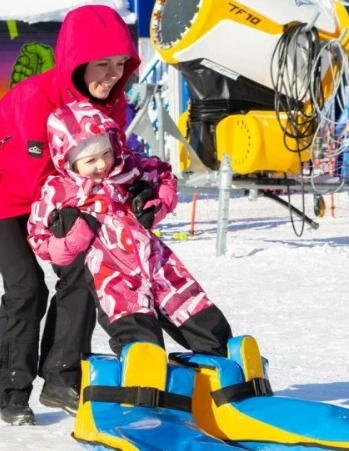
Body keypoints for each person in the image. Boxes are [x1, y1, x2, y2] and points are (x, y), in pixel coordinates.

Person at [0, 5, 142, 426]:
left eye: (120, 64)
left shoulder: (111, 102)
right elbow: (35, 169)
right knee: (26, 285)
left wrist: (138, 189)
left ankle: (61, 375)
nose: (112, 74)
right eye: (102, 64)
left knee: (84, 272)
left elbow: (111, 157)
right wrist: (69, 210)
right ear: (77, 61)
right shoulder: (35, 97)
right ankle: (13, 387)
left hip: (52, 191)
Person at [28, 101, 233, 359]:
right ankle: (144, 382)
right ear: (67, 160)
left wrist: (156, 206)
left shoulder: (129, 169)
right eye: (90, 160)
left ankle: (226, 367)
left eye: (105, 153)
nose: (102, 164)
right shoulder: (59, 191)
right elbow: (38, 236)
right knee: (142, 341)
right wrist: (71, 240)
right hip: (113, 278)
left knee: (199, 315)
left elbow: (164, 176)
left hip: (159, 263)